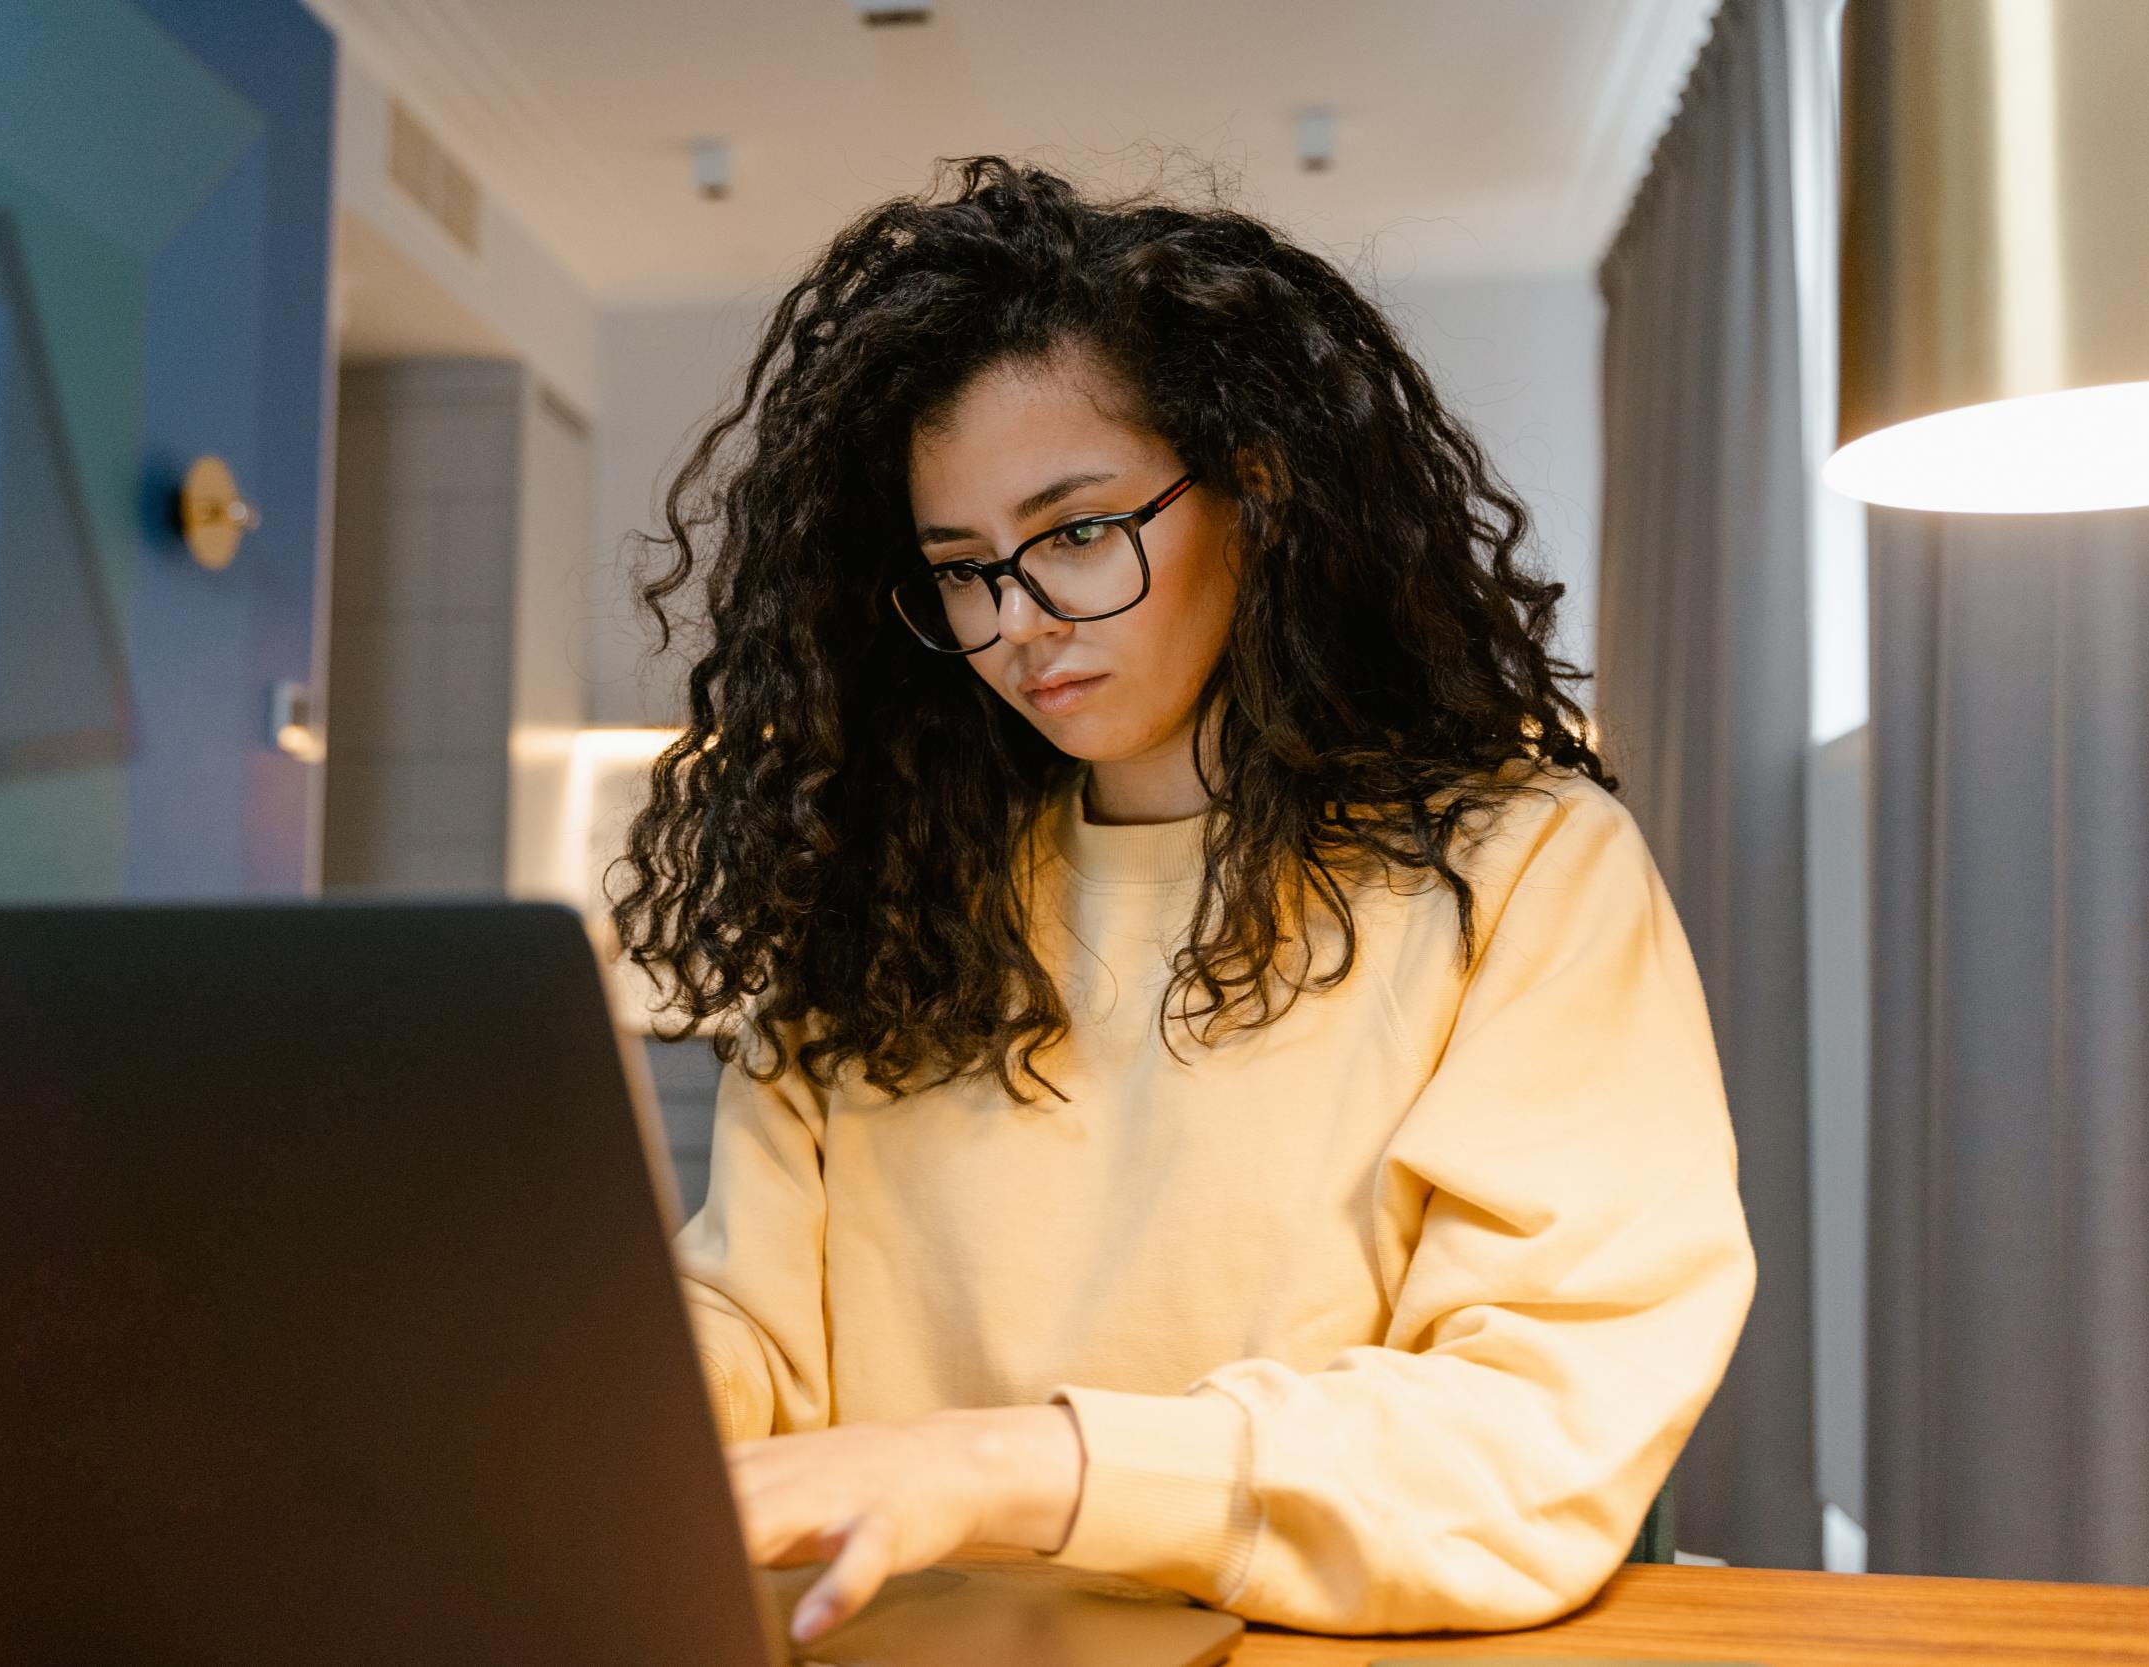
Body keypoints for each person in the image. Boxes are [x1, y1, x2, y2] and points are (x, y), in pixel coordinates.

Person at [605, 154, 1755, 1646]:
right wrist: (581, 1416)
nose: (1016, 625)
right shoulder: (881, 897)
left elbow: (1537, 1426)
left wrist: (1007, 1468)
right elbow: (754, 1326)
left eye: (1078, 532)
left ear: (1258, 489)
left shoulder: (1522, 870)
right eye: (963, 569)